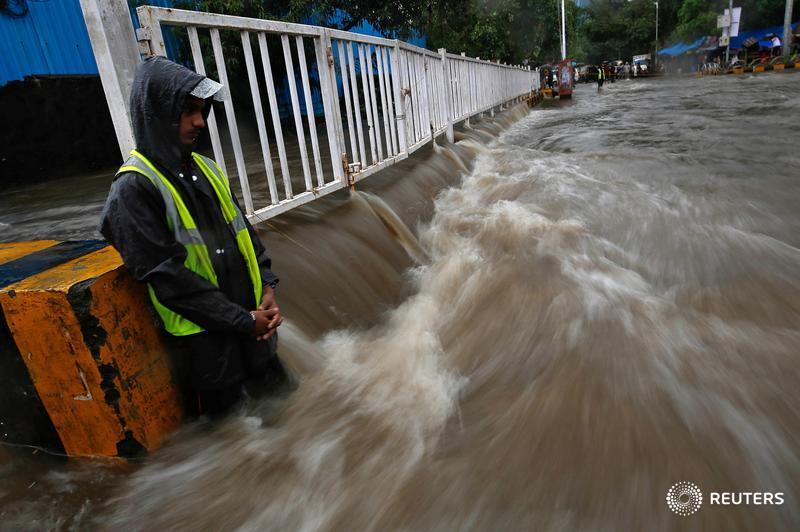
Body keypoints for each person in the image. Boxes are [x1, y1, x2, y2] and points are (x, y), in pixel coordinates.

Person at [100, 57, 285, 417]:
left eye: (202, 110)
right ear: (157, 113)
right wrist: (242, 321)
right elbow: (168, 279)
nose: (200, 122)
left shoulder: (207, 167)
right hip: (209, 350)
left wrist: (267, 286)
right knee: (234, 440)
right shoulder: (134, 188)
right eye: (188, 111)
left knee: (286, 416)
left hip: (255, 334)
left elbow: (244, 233)